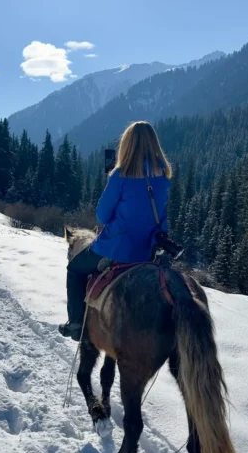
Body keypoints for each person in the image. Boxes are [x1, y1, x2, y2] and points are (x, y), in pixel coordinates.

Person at [58, 121, 173, 341]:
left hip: (115, 248)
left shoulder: (121, 174)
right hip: (147, 251)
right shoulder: (163, 176)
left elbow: (102, 215)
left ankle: (75, 324)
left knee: (75, 269)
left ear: (127, 145)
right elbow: (162, 215)